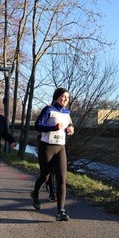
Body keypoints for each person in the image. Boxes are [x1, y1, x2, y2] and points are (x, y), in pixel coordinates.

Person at [30, 87, 74, 221]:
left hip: (60, 147)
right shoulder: (48, 109)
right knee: (45, 176)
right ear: (56, 97)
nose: (65, 99)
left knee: (62, 178)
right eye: (62, 97)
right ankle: (35, 193)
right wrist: (53, 128)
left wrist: (70, 130)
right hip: (47, 147)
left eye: (67, 97)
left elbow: (69, 125)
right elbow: (37, 126)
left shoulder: (67, 112)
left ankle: (61, 211)